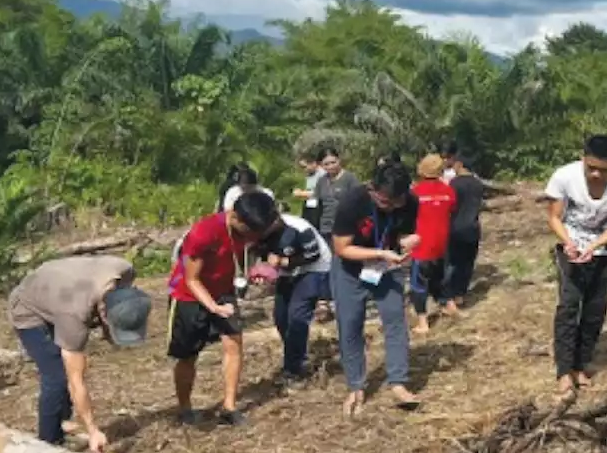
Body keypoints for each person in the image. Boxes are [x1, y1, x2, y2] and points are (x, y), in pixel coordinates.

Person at [7, 256, 152, 453]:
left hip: (57, 289)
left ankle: (63, 422)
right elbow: (76, 381)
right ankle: (48, 445)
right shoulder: (75, 312)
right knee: (57, 377)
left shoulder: (125, 270)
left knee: (64, 372)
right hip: (29, 308)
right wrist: (93, 430)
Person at [167, 191, 282, 425]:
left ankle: (229, 407)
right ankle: (185, 408)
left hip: (223, 291)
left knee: (234, 342)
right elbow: (192, 279)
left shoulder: (252, 226)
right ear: (236, 217)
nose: (254, 236)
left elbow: (250, 252)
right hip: (189, 295)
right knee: (188, 355)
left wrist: (258, 269)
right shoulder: (204, 233)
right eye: (251, 232)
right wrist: (213, 307)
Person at [545, 135, 607, 393]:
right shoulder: (564, 176)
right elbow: (554, 217)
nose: (596, 174)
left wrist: (595, 246)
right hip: (571, 249)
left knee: (594, 310)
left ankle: (581, 364)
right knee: (568, 306)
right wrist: (569, 243)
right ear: (583, 159)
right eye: (591, 168)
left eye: (604, 170)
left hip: (605, 253)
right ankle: (564, 370)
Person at [330, 160, 422, 415]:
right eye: (384, 201)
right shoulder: (353, 201)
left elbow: (403, 234)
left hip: (387, 267)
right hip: (351, 267)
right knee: (350, 323)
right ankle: (356, 386)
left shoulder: (411, 202)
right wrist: (379, 252)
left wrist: (409, 241)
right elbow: (341, 248)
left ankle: (398, 382)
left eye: (395, 202)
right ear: (373, 188)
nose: (389, 206)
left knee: (395, 321)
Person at [258, 213, 331, 384]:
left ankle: (293, 369)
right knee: (281, 317)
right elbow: (262, 254)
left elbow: (314, 255)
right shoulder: (259, 229)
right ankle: (297, 355)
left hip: (314, 268)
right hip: (289, 272)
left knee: (297, 316)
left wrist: (284, 262)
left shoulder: (300, 228)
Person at [409, 154, 458, 334]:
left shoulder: (415, 192)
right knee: (441, 277)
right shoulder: (448, 191)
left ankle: (423, 322)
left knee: (418, 284)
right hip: (442, 243)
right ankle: (449, 305)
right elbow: (452, 210)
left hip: (421, 245)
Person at [445, 150, 485, 308]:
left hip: (455, 228)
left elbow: (450, 206)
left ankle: (449, 296)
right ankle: (460, 295)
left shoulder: (454, 184)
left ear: (459, 164)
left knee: (451, 264)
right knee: (467, 263)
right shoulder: (478, 184)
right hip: (473, 227)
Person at [314, 147, 361, 246]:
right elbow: (318, 204)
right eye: (326, 164)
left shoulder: (350, 179)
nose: (331, 166)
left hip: (345, 229)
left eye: (333, 162)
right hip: (325, 229)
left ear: (339, 160)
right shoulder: (321, 181)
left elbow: (358, 202)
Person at [293, 155, 324, 229]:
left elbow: (320, 192)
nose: (304, 170)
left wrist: (302, 193)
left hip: (319, 208)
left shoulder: (322, 174)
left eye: (304, 167)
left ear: (313, 163)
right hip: (310, 205)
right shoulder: (309, 175)